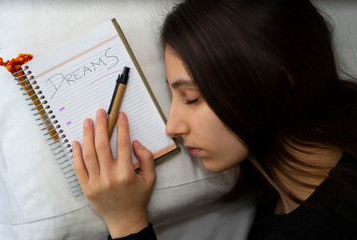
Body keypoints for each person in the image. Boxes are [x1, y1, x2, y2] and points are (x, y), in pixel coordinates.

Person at [72, 0, 357, 239]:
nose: (172, 127)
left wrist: (126, 223)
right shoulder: (278, 203)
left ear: (278, 89)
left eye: (192, 98)